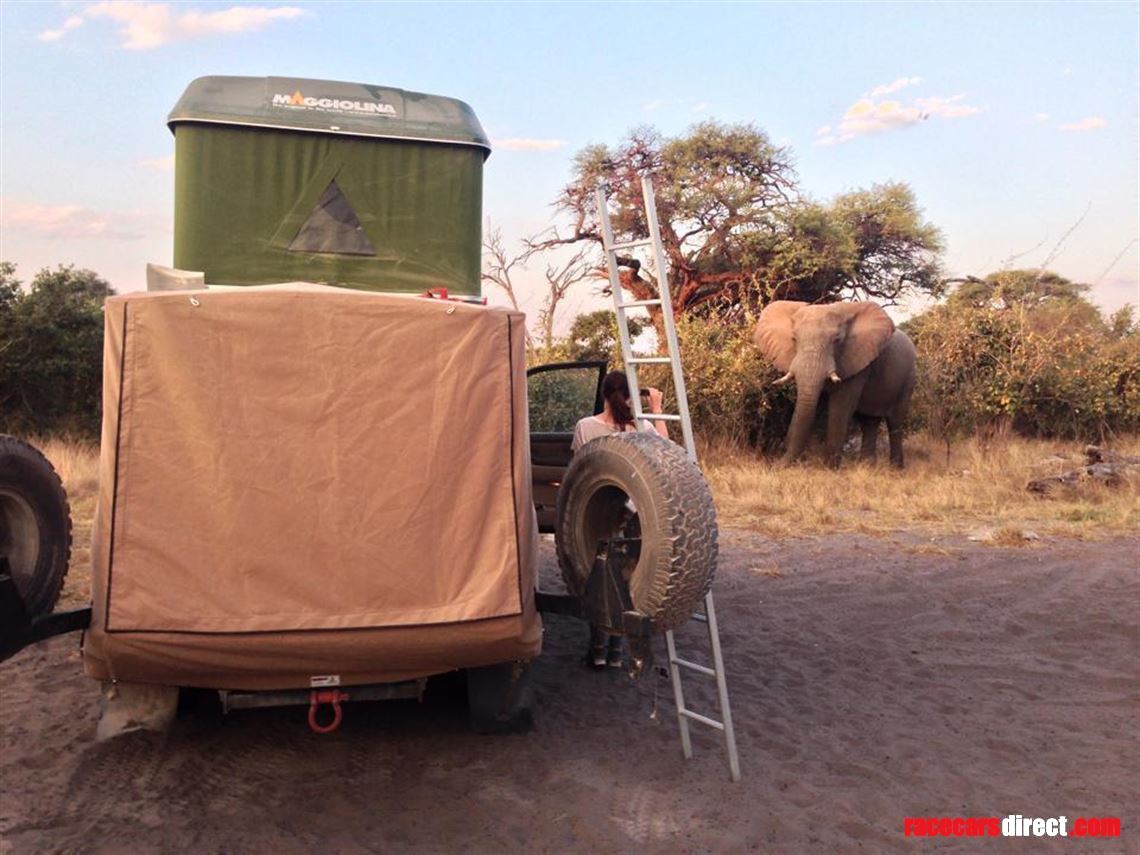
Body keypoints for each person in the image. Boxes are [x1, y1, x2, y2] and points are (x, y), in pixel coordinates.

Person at [570, 371, 669, 669]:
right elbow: (669, 453)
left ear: (603, 395)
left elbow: (577, 467)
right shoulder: (641, 427)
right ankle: (616, 652)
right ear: (628, 396)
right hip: (632, 513)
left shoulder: (585, 427)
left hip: (596, 512)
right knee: (625, 579)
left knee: (595, 575)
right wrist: (655, 407)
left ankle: (598, 649)